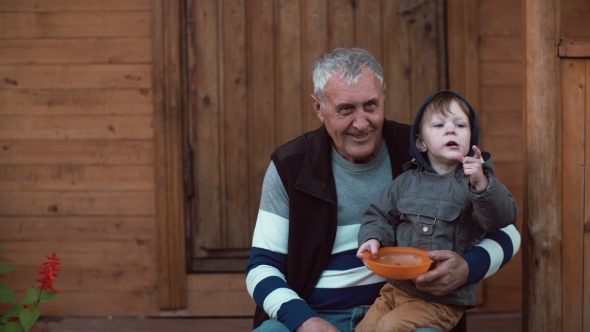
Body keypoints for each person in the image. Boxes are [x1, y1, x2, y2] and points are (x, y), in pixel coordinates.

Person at [246, 48, 521, 332]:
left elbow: (508, 232)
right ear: (319, 108)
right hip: (314, 314)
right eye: (345, 109)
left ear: (383, 96)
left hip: (411, 308)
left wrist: (467, 267)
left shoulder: (425, 151)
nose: (362, 123)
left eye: (371, 105)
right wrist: (304, 320)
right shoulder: (290, 165)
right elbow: (262, 267)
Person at [355, 90, 519, 332]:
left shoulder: (475, 182)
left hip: (442, 301)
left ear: (471, 139)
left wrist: (482, 184)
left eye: (460, 125)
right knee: (366, 328)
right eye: (439, 124)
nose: (450, 130)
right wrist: (372, 238)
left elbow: (502, 218)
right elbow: (379, 215)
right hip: (397, 288)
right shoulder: (406, 182)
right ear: (421, 142)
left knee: (388, 328)